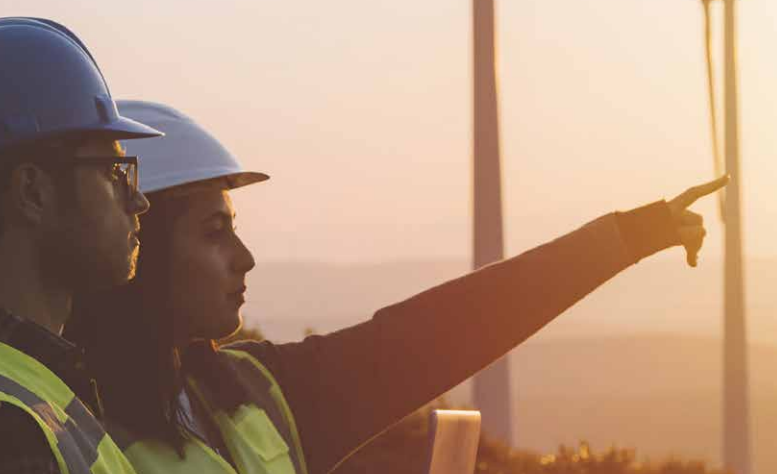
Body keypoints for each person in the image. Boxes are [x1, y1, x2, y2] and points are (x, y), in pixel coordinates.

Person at [68, 100, 728, 474]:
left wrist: (630, 236)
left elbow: (444, 330)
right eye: (215, 232)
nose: (244, 258)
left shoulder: (249, 395)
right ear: (140, 246)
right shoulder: (53, 431)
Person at [0, 18, 163, 474]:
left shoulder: (42, 386)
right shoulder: (11, 427)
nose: (139, 200)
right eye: (115, 173)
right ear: (33, 193)